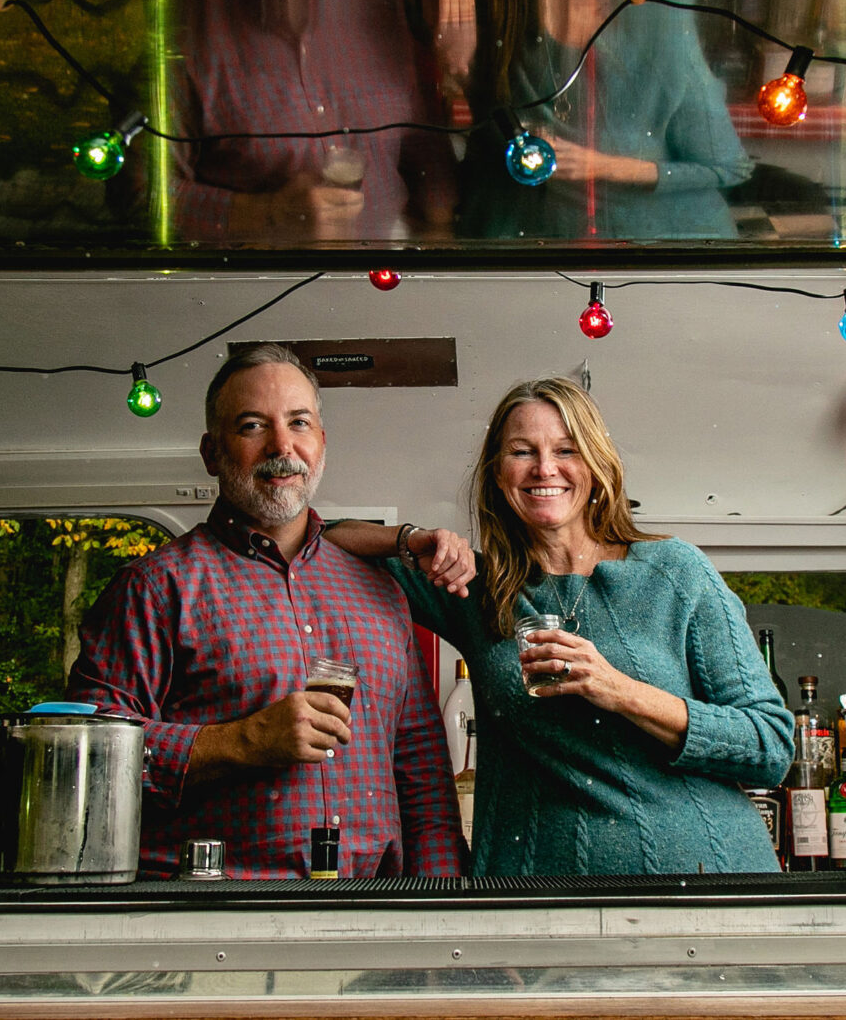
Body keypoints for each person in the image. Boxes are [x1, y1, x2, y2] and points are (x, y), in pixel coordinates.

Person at [328, 378, 792, 876]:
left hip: (705, 883)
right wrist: (412, 537)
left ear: (595, 465)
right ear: (497, 473)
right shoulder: (479, 590)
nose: (544, 469)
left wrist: (620, 690)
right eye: (521, 451)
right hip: (538, 896)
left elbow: (770, 745)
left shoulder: (677, 572)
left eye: (566, 450)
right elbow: (328, 538)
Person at [69, 344, 462, 879]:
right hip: (213, 927)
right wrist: (245, 740)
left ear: (321, 442)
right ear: (212, 453)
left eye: (299, 423)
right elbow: (89, 757)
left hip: (373, 917)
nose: (283, 446)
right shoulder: (157, 587)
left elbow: (422, 776)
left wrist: (444, 911)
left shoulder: (381, 591)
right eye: (253, 426)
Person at [458, 0, 753, 240]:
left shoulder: (665, 58)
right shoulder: (512, 56)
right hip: (542, 252)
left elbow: (729, 167)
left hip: (662, 253)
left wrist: (602, 166)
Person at [173, 0, 458, 243]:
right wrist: (269, 214)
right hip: (256, 284)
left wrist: (438, 255)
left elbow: (431, 166)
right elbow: (142, 198)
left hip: (391, 274)